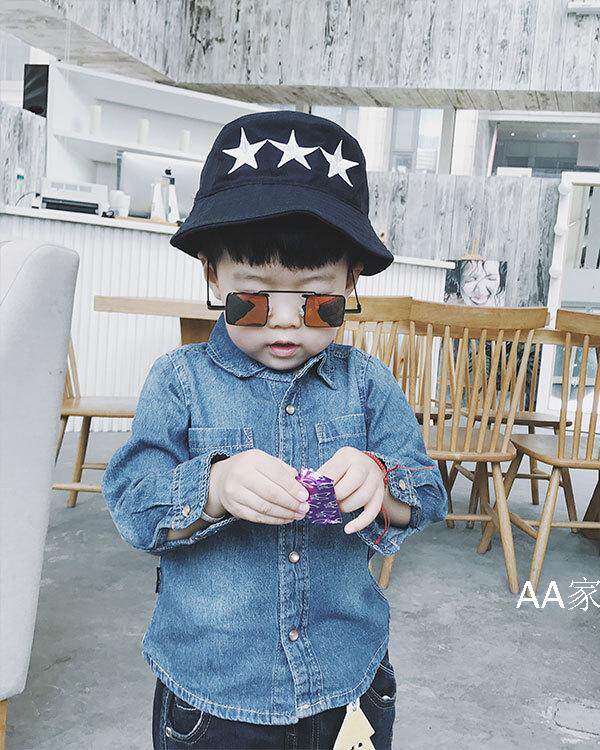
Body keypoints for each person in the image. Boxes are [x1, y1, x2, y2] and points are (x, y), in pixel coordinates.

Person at [101, 110, 448, 750]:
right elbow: (131, 501)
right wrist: (212, 487)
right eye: (254, 299)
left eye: (317, 302)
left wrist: (381, 482)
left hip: (345, 682)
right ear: (212, 274)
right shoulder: (180, 381)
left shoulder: (366, 384)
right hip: (213, 691)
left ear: (351, 281)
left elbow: (426, 494)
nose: (285, 323)